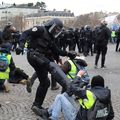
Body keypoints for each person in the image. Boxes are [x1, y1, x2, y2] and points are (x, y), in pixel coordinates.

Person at [16, 18, 76, 113]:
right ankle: (68, 85)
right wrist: (21, 45)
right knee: (52, 66)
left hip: (40, 58)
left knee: (45, 83)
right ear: (51, 25)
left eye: (58, 30)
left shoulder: (51, 39)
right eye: (55, 29)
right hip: (34, 55)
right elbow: (25, 33)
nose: (56, 31)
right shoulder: (40, 29)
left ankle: (37, 105)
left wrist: (68, 53)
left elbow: (57, 50)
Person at [37, 75, 114, 120]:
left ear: (93, 84)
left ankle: (53, 118)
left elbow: (71, 87)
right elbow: (111, 115)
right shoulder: (107, 93)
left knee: (60, 96)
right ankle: (47, 113)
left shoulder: (88, 93)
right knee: (65, 95)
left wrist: (78, 76)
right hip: (89, 115)